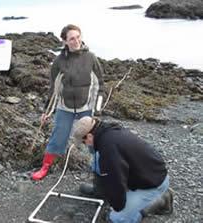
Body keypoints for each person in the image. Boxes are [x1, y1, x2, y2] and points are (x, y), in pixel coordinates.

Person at [31, 24, 105, 181]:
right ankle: (45, 166)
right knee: (58, 136)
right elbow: (54, 87)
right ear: (64, 41)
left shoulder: (91, 57)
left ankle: (98, 167)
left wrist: (97, 109)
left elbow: (101, 85)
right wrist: (46, 111)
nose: (76, 41)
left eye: (78, 37)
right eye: (72, 39)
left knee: (93, 137)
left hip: (87, 106)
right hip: (65, 107)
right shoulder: (59, 61)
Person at [73, 116, 173, 223]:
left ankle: (160, 201)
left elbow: (116, 181)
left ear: (89, 136)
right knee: (98, 159)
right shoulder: (108, 131)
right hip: (145, 171)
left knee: (117, 218)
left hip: (153, 183)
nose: (85, 145)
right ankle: (100, 191)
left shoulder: (109, 148)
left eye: (84, 142)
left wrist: (116, 206)